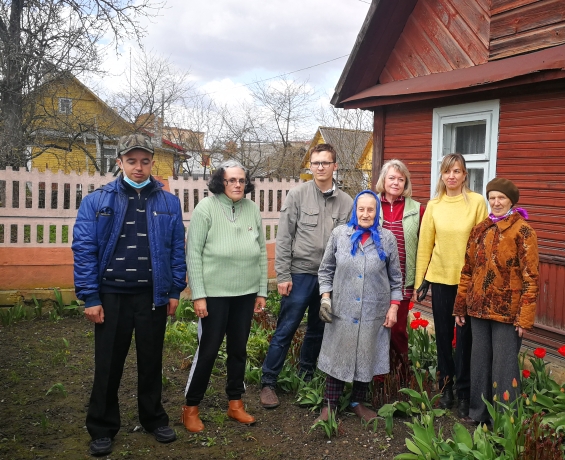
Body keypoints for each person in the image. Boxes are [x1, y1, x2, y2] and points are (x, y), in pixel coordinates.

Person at [73, 133, 186, 456]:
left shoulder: (168, 202)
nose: (139, 167)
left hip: (152, 295)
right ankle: (102, 427)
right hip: (111, 296)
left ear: (152, 162)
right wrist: (91, 297)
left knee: (151, 362)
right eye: (132, 161)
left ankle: (153, 419)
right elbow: (84, 250)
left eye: (145, 161)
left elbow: (176, 247)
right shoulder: (97, 200)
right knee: (108, 364)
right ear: (119, 162)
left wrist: (175, 288)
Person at [260, 143, 354, 409]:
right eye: (315, 163)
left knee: (318, 330)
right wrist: (283, 275)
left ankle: (306, 376)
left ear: (335, 166)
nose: (320, 167)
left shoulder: (346, 202)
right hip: (300, 274)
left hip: (330, 279)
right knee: (286, 327)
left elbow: (347, 243)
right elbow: (285, 236)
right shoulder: (298, 195)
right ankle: (268, 381)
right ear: (310, 166)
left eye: (325, 162)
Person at [181, 160, 267, 432]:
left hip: (246, 292)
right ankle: (191, 407)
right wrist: (199, 295)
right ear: (221, 181)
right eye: (231, 180)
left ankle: (235, 404)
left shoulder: (252, 209)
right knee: (208, 351)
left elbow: (261, 251)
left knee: (238, 351)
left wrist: (262, 290)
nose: (237, 185)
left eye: (241, 180)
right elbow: (193, 253)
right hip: (215, 294)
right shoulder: (205, 208)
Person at [453, 178, 540, 425]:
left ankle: (504, 421)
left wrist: (525, 317)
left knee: (504, 368)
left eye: (501, 198)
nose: (496, 202)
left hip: (507, 312)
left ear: (511, 201)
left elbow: (531, 277)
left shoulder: (523, 231)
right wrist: (460, 305)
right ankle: (478, 414)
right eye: (492, 197)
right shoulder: (481, 228)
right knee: (478, 363)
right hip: (478, 309)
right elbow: (467, 269)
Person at [315, 190, 403, 422]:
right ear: (355, 210)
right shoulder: (340, 235)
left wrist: (393, 307)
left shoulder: (387, 239)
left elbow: (396, 279)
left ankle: (357, 403)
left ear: (377, 212)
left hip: (374, 309)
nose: (365, 214)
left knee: (367, 354)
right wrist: (325, 297)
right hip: (342, 308)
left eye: (370, 209)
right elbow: (326, 270)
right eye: (361, 209)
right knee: (338, 354)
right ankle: (329, 405)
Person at [414, 153, 487, 418]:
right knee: (443, 337)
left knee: (466, 340)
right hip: (441, 280)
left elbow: (483, 243)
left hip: (467, 282)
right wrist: (420, 279)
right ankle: (446, 387)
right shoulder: (434, 205)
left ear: (465, 175)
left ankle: (465, 392)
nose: (452, 176)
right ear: (442, 175)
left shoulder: (477, 203)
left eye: (457, 171)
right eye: (447, 171)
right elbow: (425, 244)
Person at [375, 160, 424, 383]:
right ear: (383, 180)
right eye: (391, 178)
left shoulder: (417, 209)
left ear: (406, 183)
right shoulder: (371, 204)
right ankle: (377, 376)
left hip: (403, 280)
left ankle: (401, 375)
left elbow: (425, 246)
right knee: (375, 328)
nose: (396, 182)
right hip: (374, 280)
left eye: (400, 179)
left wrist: (419, 282)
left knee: (397, 330)